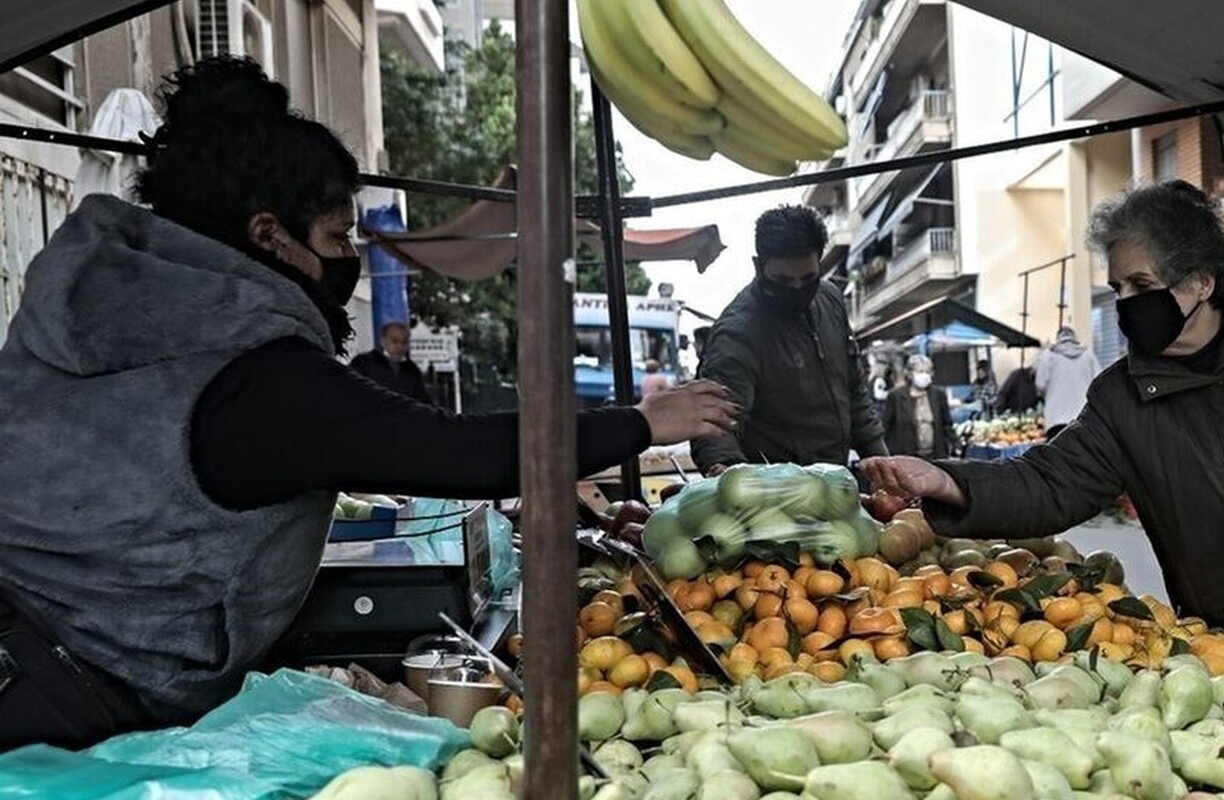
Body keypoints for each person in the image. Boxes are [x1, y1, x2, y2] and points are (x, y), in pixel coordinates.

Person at [0, 58, 736, 751]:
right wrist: (642, 422)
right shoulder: (255, 372)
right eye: (337, 234)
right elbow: (454, 450)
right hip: (59, 690)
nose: (350, 253)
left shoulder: (119, 311)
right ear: (271, 237)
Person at [861, 180, 1224, 629]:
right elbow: (1048, 485)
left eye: (1142, 286)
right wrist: (947, 482)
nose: (1126, 302)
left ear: (1201, 280)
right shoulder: (1121, 397)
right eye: (1118, 288)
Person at [691, 205, 886, 473]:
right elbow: (716, 423)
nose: (797, 289)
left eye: (808, 278)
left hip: (836, 482)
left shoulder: (830, 300)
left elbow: (854, 390)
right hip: (775, 494)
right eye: (783, 280)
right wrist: (728, 472)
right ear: (759, 267)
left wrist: (883, 463)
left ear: (820, 262)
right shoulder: (737, 333)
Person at [881, 354, 955, 459]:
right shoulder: (896, 396)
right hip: (906, 456)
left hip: (935, 455)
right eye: (920, 371)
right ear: (910, 374)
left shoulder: (938, 395)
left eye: (928, 372)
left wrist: (955, 445)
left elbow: (947, 424)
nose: (924, 375)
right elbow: (886, 425)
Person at [1034, 325, 1098, 439]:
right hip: (1085, 419)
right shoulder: (1089, 355)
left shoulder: (1048, 356)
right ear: (1074, 338)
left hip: (1055, 421)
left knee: (1058, 456)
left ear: (1058, 338)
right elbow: (1099, 384)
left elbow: (1040, 385)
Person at [350, 321, 433, 404]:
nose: (400, 347)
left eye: (404, 342)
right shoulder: (363, 363)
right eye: (395, 341)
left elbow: (423, 402)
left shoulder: (411, 370)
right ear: (383, 341)